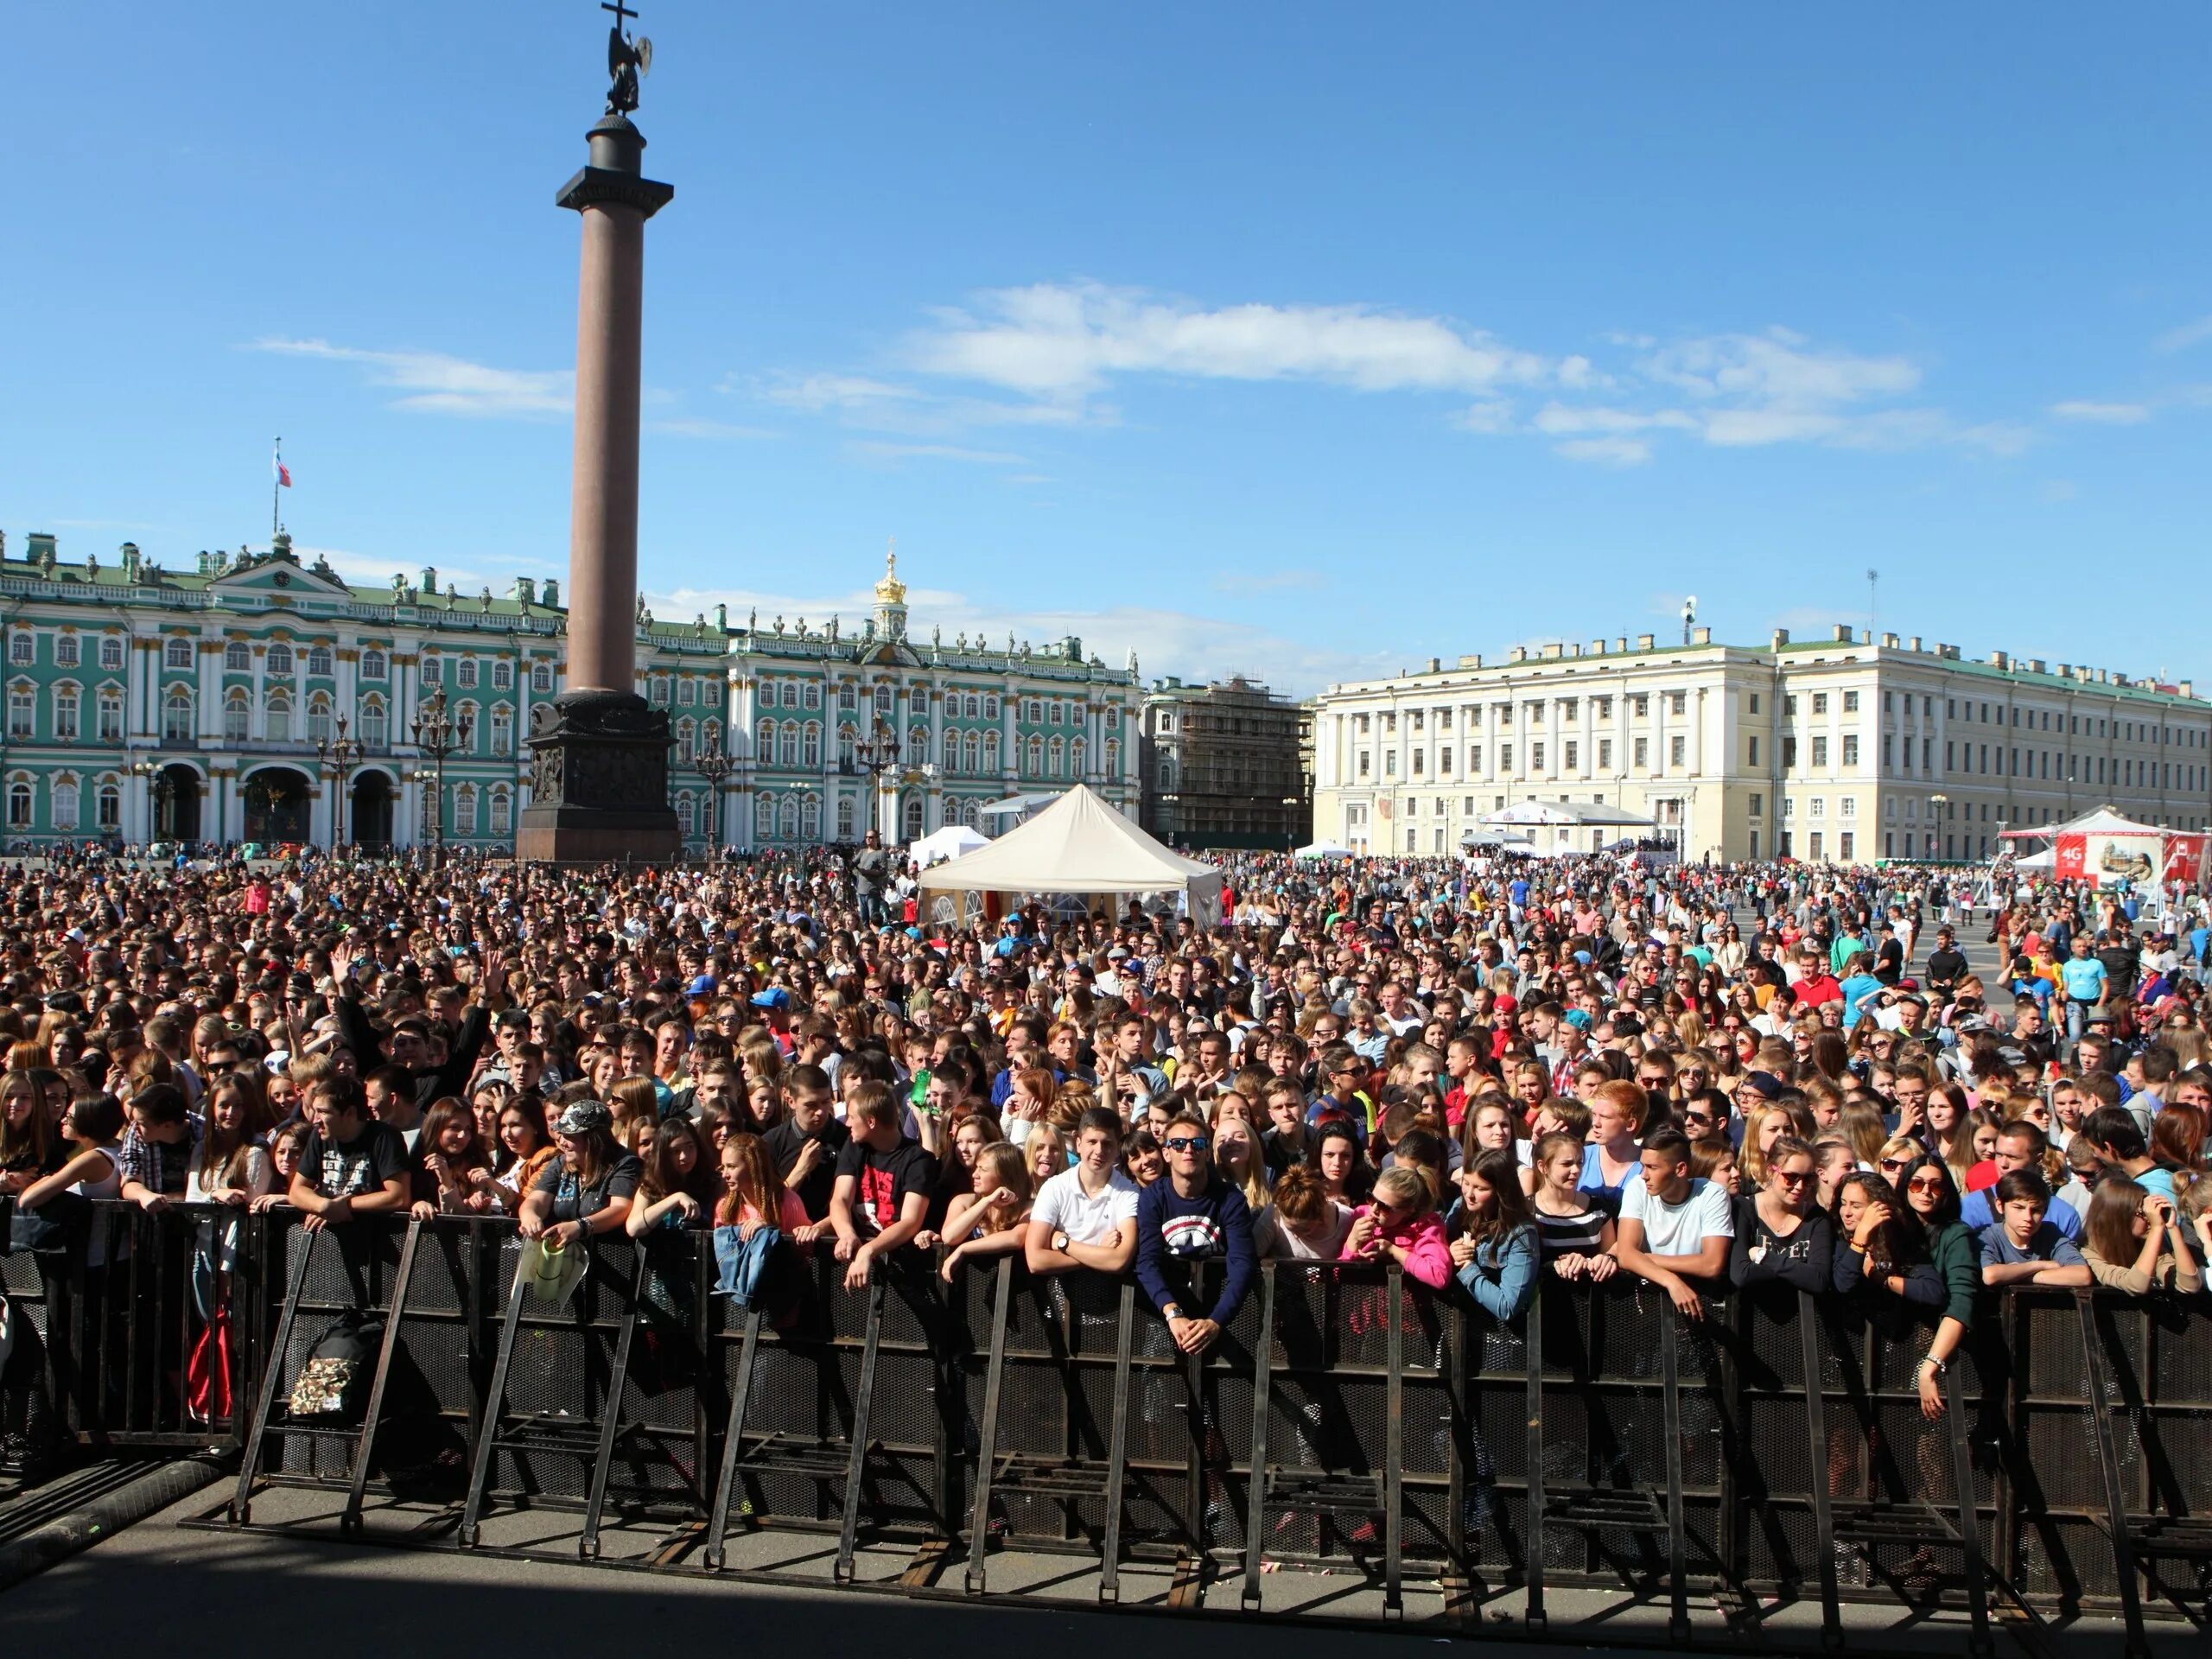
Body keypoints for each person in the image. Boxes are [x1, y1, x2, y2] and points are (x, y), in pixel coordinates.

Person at [1133, 1112, 1256, 1354]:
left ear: (1208, 1152)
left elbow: (1242, 1264)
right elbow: (1147, 1262)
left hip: (1223, 1315)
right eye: (1178, 1144)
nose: (1188, 1149)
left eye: (1197, 1143)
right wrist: (1173, 1313)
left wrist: (1216, 1320)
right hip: (1167, 1316)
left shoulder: (1231, 1199)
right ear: (1166, 1153)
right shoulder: (1152, 1198)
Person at [1611, 1126, 1732, 1319]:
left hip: (1699, 1306)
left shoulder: (1712, 1194)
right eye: (1643, 1166)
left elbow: (1712, 1264)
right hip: (1647, 1307)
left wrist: (1646, 1258)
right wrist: (1671, 1281)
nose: (1644, 1175)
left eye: (1652, 1167)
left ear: (1681, 1169)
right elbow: (1626, 1256)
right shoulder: (1637, 1187)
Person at [828, 1081, 937, 1291]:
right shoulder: (855, 1145)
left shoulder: (918, 1159)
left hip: (907, 1266)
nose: (847, 1124)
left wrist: (869, 1250)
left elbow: (911, 1221)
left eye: (852, 1117)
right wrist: (847, 1234)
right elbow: (840, 1198)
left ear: (870, 1121)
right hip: (859, 1262)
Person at [1896, 1156, 1979, 1421]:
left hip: (1938, 1350)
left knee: (1929, 1437)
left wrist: (1930, 1366)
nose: (1926, 1192)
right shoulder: (1891, 1229)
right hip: (1891, 1349)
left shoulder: (1956, 1235)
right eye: (1917, 1184)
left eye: (1936, 1185)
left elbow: (1961, 1301)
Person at [1026, 1106, 1141, 1277]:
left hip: (1110, 1298)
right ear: (1078, 1143)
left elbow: (1119, 1261)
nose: (1099, 1151)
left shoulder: (1129, 1192)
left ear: (1118, 1148)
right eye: (1092, 1142)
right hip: (1058, 1298)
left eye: (1107, 1144)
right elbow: (1035, 1260)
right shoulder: (1054, 1188)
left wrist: (1065, 1244)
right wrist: (1100, 1253)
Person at [288, 1078, 412, 1235]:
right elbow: (296, 1191)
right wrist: (323, 1206)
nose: (315, 1120)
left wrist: (344, 1206)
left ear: (350, 1113)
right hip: (330, 1242)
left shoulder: (385, 1137)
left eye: (324, 1112)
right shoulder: (319, 1136)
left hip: (377, 1243)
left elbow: (399, 1196)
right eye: (315, 1111)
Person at [518, 1101, 641, 1248]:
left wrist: (581, 1227)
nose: (562, 1142)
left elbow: (621, 1208)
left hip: (610, 1256)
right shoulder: (560, 1163)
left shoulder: (625, 1163)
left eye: (571, 1137)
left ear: (594, 1139)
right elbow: (537, 1200)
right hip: (565, 1257)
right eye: (562, 1135)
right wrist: (529, 1216)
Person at [1729, 1134, 1834, 1292]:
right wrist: (1799, 1272)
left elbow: (1819, 1280)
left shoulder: (1817, 1218)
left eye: (1808, 1179)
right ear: (1771, 1170)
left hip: (1804, 1315)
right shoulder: (1743, 1208)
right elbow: (1741, 1274)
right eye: (1791, 1177)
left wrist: (1764, 1256)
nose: (1800, 1186)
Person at [1446, 1147, 1537, 1319]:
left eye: (1480, 1188)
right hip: (1457, 1324)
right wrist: (1450, 1250)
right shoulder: (1460, 1208)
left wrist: (1467, 1266)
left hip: (1500, 1339)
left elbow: (1507, 1306)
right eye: (1466, 1183)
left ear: (1501, 1191)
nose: (1469, 1194)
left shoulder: (1522, 1234)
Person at [2079, 1176, 2203, 1296]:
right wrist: (2156, 1228)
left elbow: (2189, 1286)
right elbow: (2136, 1285)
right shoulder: (2087, 1254)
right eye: (2144, 1213)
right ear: (2120, 1217)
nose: (2151, 1219)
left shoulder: (2146, 1246)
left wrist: (2172, 1227)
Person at [762, 1064, 849, 1223]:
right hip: (785, 1237)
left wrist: (819, 1229)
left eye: (825, 1102)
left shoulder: (848, 1140)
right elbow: (764, 1206)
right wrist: (800, 1171)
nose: (821, 1111)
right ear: (790, 1101)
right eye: (811, 1105)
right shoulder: (772, 1142)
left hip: (832, 1238)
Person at [1341, 1166, 1452, 1289]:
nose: (1373, 1210)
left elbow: (1439, 1276)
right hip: (1362, 1304)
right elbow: (1337, 1276)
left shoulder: (1427, 1225)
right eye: (1371, 1198)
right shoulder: (1360, 1215)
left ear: (1409, 1211)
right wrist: (1353, 1241)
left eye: (1384, 1208)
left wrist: (1393, 1251)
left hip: (1405, 1306)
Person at [1977, 1170, 2092, 1287]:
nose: (2028, 1218)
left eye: (2036, 1210)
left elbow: (2082, 1275)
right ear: (2000, 1206)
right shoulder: (1987, 1235)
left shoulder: (2050, 1233)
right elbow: (1990, 1275)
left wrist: (2026, 1277)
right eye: (2019, 1208)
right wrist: (2039, 1265)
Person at [1529, 1129, 1618, 1281]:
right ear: (1543, 1167)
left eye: (1579, 1163)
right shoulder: (1526, 1211)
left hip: (1591, 1299)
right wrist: (1554, 1265)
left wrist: (1606, 1259)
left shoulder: (1598, 1209)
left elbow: (1611, 1251)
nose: (1576, 1170)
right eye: (1567, 1164)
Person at [938, 1143, 1034, 1281]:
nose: (975, 1174)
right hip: (967, 1292)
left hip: (1014, 1293)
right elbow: (949, 1236)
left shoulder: (1029, 1207)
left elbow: (1016, 1238)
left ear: (1004, 1175)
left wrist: (964, 1248)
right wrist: (986, 1202)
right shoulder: (963, 1202)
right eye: (976, 1167)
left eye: (983, 1169)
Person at [625, 1116, 718, 1236]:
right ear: (664, 1154)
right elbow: (634, 1229)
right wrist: (676, 1198)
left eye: (690, 1147)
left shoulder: (713, 1182)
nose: (684, 1156)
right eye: (676, 1151)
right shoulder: (650, 1186)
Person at [1253, 1161, 1355, 1259]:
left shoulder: (1348, 1220)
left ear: (1320, 1215)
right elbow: (1252, 1257)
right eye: (1292, 1229)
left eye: (1304, 1229)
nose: (1297, 1236)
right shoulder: (1273, 1214)